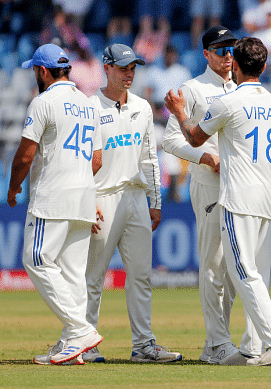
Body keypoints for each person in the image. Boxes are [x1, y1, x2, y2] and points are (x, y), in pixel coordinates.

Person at [165, 37, 271, 367]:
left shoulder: (229, 101)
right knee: (247, 272)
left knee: (241, 272)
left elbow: (193, 137)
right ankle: (238, 344)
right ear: (265, 67)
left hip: (236, 196)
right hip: (266, 194)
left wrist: (180, 113)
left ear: (235, 64)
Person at [80, 44, 181, 364]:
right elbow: (83, 162)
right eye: (122, 67)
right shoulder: (90, 107)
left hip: (137, 198)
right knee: (93, 276)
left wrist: (156, 201)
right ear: (106, 68)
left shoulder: (141, 106)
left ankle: (144, 345)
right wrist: (86, 200)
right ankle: (85, 342)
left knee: (140, 275)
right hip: (102, 198)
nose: (129, 73)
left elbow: (150, 158)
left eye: (133, 68)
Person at [7, 43, 103, 365]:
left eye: (34, 70)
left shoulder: (44, 101)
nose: (35, 75)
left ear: (43, 71)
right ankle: (71, 345)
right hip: (84, 195)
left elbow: (25, 154)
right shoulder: (89, 104)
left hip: (53, 195)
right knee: (73, 273)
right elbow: (98, 160)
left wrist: (13, 187)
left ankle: (79, 330)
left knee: (35, 259)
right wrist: (81, 183)